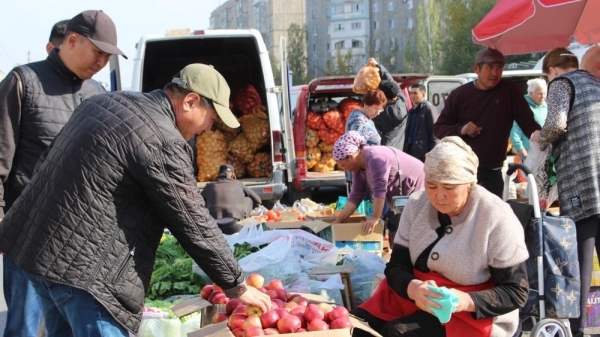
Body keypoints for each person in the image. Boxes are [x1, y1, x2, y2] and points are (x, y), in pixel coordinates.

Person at [0, 63, 272, 336]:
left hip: (37, 254)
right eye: (211, 119)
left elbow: (44, 163)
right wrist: (236, 285)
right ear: (190, 101)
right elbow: (193, 220)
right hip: (85, 276)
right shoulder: (163, 140)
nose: (207, 129)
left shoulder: (102, 102)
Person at [0, 10, 126, 337]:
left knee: (68, 329)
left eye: (107, 55)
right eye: (97, 51)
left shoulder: (98, 95)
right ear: (71, 41)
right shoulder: (22, 82)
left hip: (79, 243)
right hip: (26, 235)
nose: (101, 61)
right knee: (24, 328)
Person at [352, 136, 529, 337]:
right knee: (355, 328)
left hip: (470, 313)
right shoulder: (417, 203)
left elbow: (515, 291)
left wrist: (462, 300)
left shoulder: (495, 216)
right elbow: (396, 266)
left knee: (397, 334)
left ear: (469, 183)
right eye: (432, 186)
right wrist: (414, 289)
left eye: (449, 188)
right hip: (413, 296)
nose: (438, 196)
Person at [532, 47, 600, 337]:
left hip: (583, 184)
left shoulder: (562, 84)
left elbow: (557, 123)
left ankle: (577, 330)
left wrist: (541, 136)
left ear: (552, 71)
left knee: (581, 263)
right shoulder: (596, 83)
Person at [433, 47, 541, 197]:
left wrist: (543, 138)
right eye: (490, 67)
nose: (495, 73)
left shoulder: (509, 91)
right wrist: (461, 129)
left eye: (499, 67)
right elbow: (439, 129)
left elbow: (528, 123)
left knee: (491, 217)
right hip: (461, 169)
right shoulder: (459, 95)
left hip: (493, 170)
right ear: (476, 68)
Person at [332, 131, 425, 247]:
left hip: (418, 188)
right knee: (398, 236)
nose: (343, 169)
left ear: (351, 157)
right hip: (400, 198)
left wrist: (375, 218)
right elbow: (356, 195)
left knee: (411, 235)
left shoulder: (375, 157)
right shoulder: (359, 168)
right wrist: (339, 220)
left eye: (343, 165)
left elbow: (380, 189)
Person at [370, 58, 410, 151]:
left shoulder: (381, 113)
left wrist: (378, 66)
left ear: (384, 96)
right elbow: (392, 83)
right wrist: (378, 66)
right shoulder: (402, 101)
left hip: (384, 149)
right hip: (397, 148)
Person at [509, 78, 547, 161]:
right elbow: (515, 131)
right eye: (540, 93)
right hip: (530, 153)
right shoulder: (522, 108)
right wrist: (519, 148)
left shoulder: (546, 106)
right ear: (530, 93)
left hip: (545, 152)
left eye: (544, 93)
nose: (543, 96)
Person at [405, 83, 437, 162]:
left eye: (415, 93)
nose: (412, 96)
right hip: (411, 151)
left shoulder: (428, 109)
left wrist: (433, 154)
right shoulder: (412, 111)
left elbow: (435, 133)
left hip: (424, 153)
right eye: (411, 93)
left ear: (423, 94)